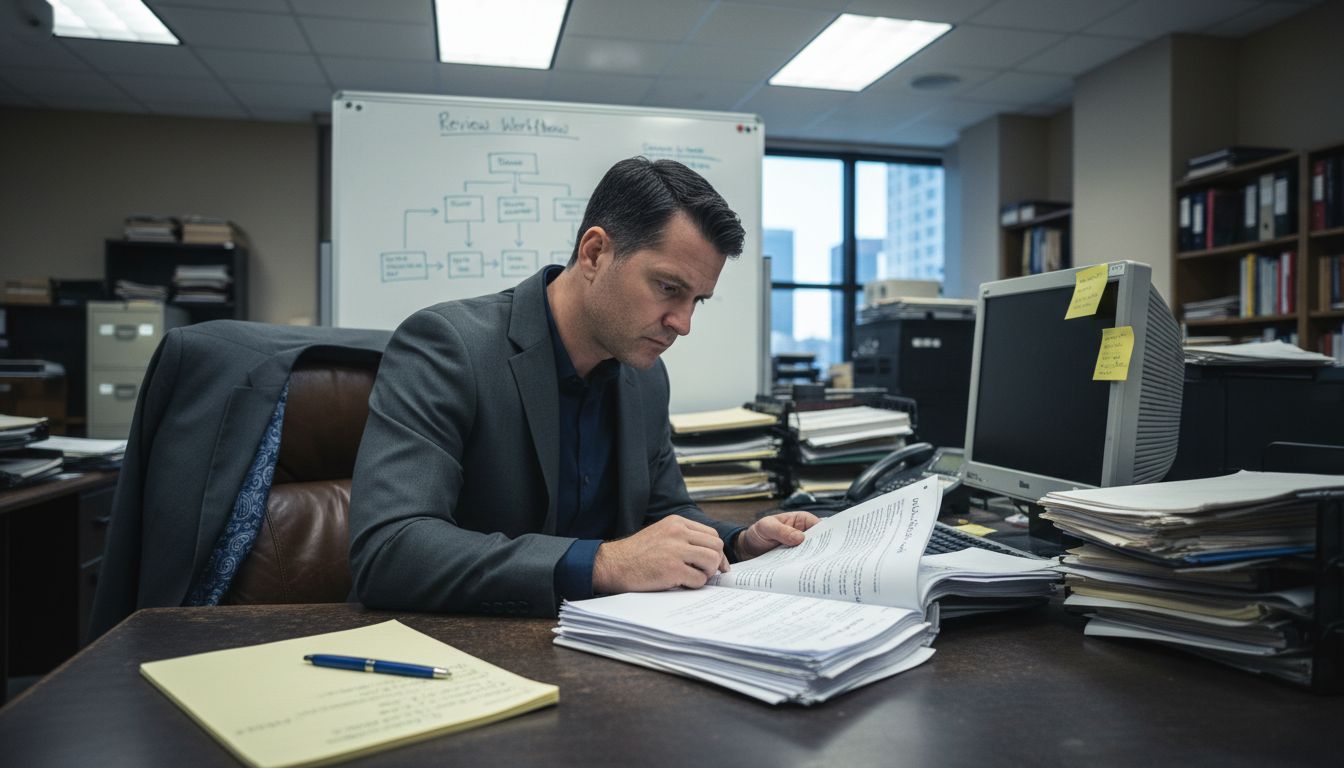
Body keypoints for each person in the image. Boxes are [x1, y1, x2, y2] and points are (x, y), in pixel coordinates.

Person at [349, 156, 818, 616]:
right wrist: (603, 563)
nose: (683, 323)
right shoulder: (448, 346)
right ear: (594, 254)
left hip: (607, 646)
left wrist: (738, 543)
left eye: (698, 300)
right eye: (668, 288)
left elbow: (664, 511)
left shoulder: (646, 376)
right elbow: (391, 549)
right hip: (462, 654)